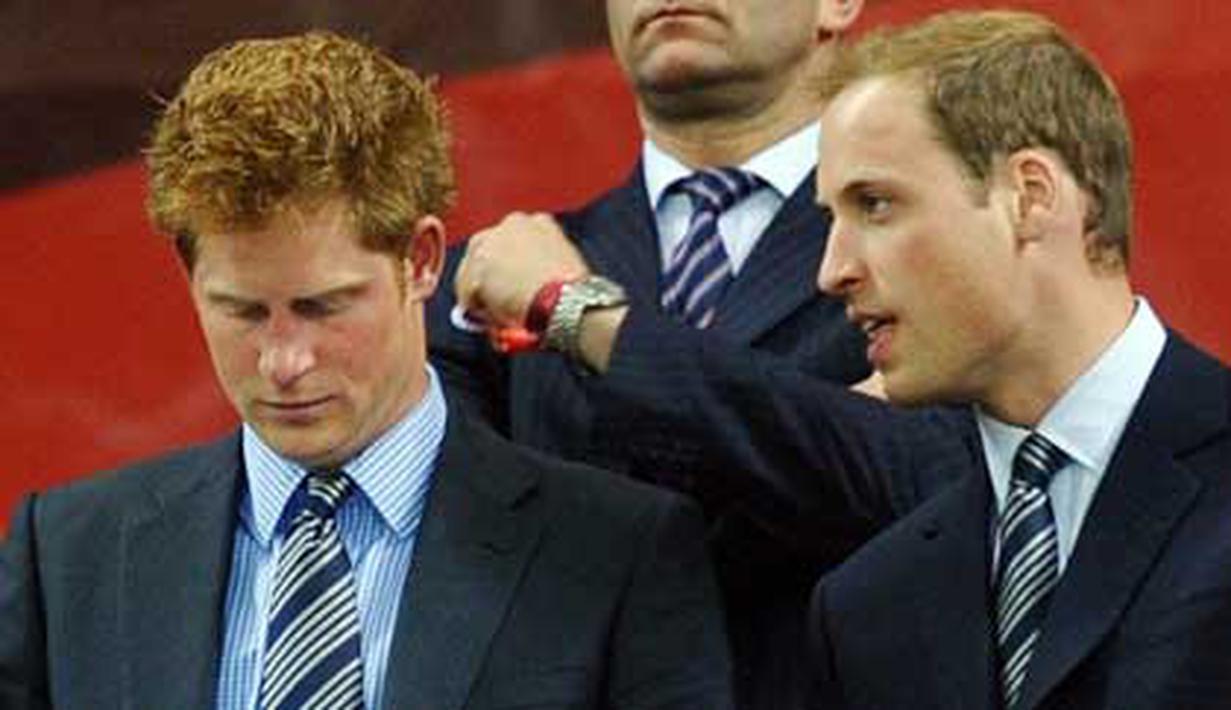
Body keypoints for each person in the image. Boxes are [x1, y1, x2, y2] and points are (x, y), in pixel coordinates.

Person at [0, 32, 734, 709]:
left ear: (420, 260)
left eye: (322, 307)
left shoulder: (612, 554)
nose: (284, 361)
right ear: (188, 275)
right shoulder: (69, 554)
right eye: (242, 312)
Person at [428, 3, 902, 707]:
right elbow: (455, 552)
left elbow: (913, 475)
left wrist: (574, 310)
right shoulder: (483, 283)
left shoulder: (921, 254)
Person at [803, 10, 1231, 708]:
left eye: (875, 204)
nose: (831, 271)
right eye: (830, 219)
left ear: (1029, 196)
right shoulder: (863, 607)